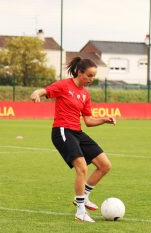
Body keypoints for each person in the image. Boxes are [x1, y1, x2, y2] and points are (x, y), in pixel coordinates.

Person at [30, 57, 116, 223]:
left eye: (93, 76)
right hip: (62, 130)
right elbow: (44, 91)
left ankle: (83, 196)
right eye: (89, 75)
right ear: (79, 72)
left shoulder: (85, 94)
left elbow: (89, 121)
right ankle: (80, 211)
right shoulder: (64, 85)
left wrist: (104, 119)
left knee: (105, 165)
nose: (91, 79)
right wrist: (36, 93)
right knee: (82, 168)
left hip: (77, 131)